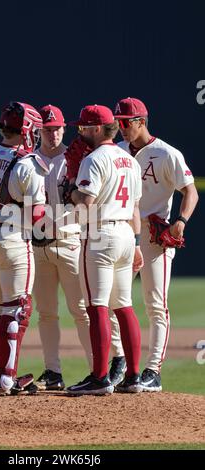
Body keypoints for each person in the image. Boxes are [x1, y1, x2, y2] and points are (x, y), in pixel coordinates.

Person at [114, 97, 199, 391]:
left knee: (155, 304)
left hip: (154, 238)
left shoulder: (166, 153)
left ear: (141, 121)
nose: (121, 127)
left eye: (126, 122)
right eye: (118, 122)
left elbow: (191, 192)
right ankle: (120, 363)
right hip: (124, 236)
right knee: (116, 300)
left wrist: (182, 220)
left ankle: (153, 371)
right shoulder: (118, 151)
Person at [65, 104, 144, 395]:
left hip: (100, 232)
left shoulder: (93, 159)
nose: (80, 132)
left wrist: (70, 190)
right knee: (123, 305)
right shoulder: (130, 160)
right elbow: (135, 208)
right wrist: (136, 244)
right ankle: (134, 376)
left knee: (97, 304)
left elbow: (85, 202)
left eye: (83, 127)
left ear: (97, 129)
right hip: (126, 232)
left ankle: (99, 377)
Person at [0, 101, 48, 395]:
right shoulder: (27, 163)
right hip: (14, 239)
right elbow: (37, 213)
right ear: (27, 128)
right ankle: (7, 377)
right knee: (17, 310)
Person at [32, 104, 93, 391]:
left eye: (56, 128)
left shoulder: (74, 158)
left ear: (64, 129)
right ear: (39, 130)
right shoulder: (29, 161)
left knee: (80, 310)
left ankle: (97, 369)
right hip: (38, 244)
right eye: (47, 129)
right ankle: (52, 371)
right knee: (46, 312)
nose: (53, 133)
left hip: (69, 240)